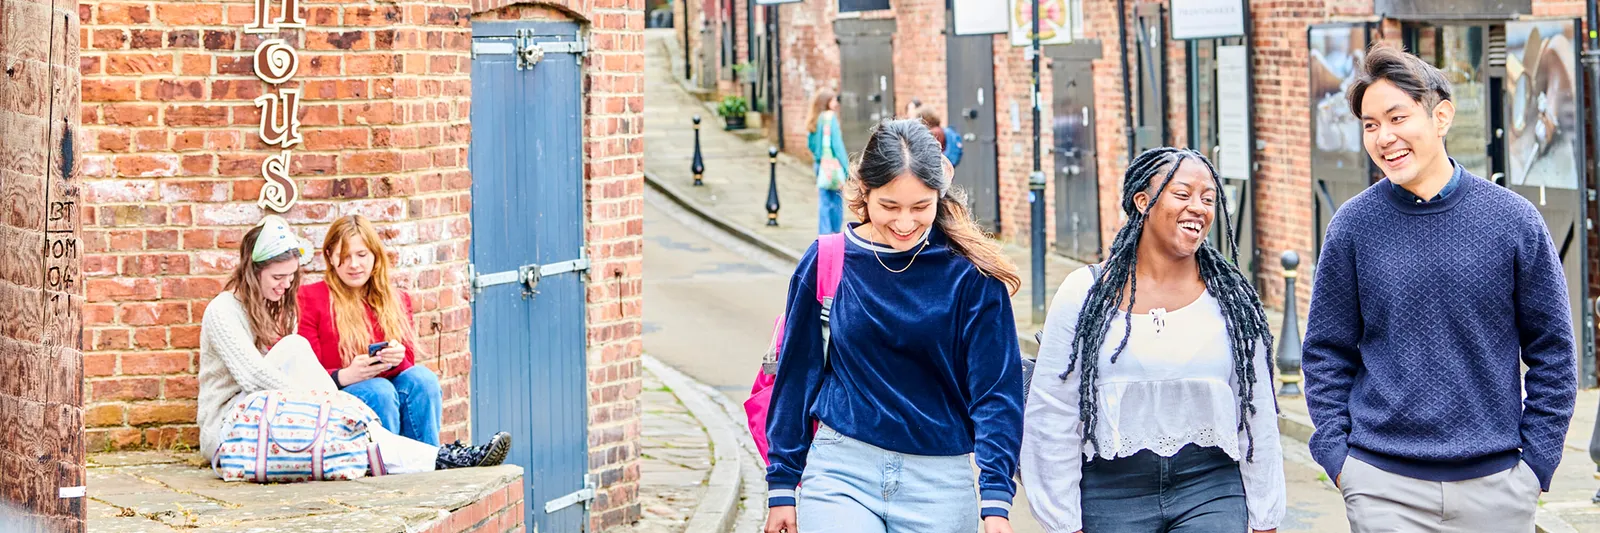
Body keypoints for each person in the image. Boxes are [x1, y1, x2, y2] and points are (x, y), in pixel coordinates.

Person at [1302, 42, 1577, 532]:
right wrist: (1338, 458)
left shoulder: (1513, 221)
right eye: (1370, 125)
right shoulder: (1352, 226)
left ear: (1441, 116)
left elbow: (1554, 351)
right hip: (1382, 483)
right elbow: (1325, 351)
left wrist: (1537, 463)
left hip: (1496, 486)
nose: (1384, 137)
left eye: (1397, 118)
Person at [762, 120, 1024, 533]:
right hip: (840, 473)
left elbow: (996, 394)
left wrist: (995, 501)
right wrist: (781, 484)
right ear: (864, 192)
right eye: (889, 206)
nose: (905, 223)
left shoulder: (972, 277)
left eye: (921, 207)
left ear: (940, 193)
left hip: (939, 485)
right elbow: (797, 375)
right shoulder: (828, 261)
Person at [1020, 148, 1285, 533]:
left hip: (1210, 487)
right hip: (1111, 490)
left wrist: (1266, 517)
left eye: (1208, 199)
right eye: (1182, 194)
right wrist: (1062, 520)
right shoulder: (1084, 293)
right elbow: (1052, 412)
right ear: (1142, 201)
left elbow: (1257, 410)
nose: (1199, 207)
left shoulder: (1230, 299)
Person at [198, 215, 509, 475]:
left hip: (268, 416)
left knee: (419, 381)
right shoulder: (222, 311)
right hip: (234, 428)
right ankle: (444, 458)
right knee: (320, 363)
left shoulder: (268, 305)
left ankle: (445, 458)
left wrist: (389, 361)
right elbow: (254, 379)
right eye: (279, 277)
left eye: (291, 276)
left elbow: (285, 378)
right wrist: (326, 404)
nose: (287, 284)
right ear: (253, 273)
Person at [298, 214, 443, 445]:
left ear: (375, 256)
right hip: (337, 397)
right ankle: (386, 474)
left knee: (422, 380)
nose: (354, 264)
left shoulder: (397, 299)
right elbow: (305, 374)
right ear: (330, 257)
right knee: (379, 390)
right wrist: (345, 376)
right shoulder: (309, 298)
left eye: (362, 255)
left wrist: (396, 359)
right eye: (344, 256)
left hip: (387, 389)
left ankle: (428, 463)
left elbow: (407, 368)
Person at [807, 89, 849, 234]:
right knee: (837, 201)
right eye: (833, 100)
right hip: (833, 166)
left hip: (819, 165)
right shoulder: (830, 118)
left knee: (824, 202)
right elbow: (837, 146)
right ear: (826, 102)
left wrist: (819, 156)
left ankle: (823, 235)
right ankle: (835, 233)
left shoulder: (815, 118)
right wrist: (846, 168)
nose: (836, 103)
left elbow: (810, 144)